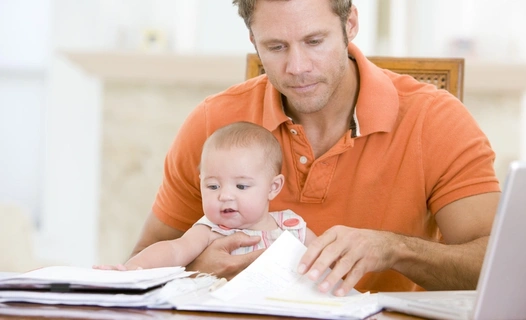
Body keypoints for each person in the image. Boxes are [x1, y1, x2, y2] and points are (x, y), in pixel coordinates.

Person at [130, 0, 501, 296]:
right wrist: (196, 271)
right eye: (275, 47)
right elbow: (137, 269)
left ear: (350, 24)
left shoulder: (434, 120)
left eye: (314, 41)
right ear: (253, 40)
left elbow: (498, 265)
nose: (297, 67)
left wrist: (394, 249)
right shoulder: (214, 121)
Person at [96, 122, 315, 270]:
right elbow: (173, 251)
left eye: (241, 186)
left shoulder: (292, 227)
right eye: (212, 186)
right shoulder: (210, 231)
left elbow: (326, 258)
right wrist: (130, 271)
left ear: (273, 187)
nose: (225, 195)